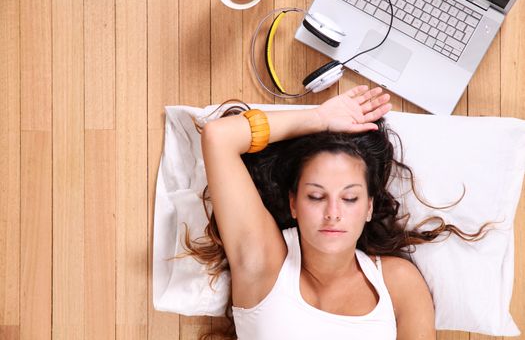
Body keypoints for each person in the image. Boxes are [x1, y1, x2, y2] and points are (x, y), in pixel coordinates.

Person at [185, 85, 487, 340]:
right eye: (316, 196)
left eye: (350, 198)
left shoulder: (398, 284)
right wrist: (317, 118)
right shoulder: (264, 265)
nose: (333, 213)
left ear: (369, 206)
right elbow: (219, 138)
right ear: (294, 203)